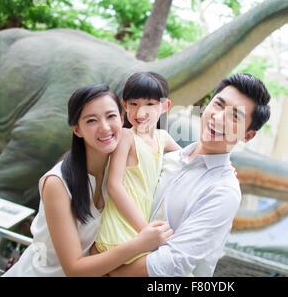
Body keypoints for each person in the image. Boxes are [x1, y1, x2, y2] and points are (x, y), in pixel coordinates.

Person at [108, 72, 271, 277]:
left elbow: (173, 263)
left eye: (234, 116)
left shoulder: (224, 191)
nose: (218, 118)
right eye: (218, 105)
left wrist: (108, 272)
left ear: (248, 135)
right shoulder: (167, 157)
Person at [2, 84, 173, 277]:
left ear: (122, 118)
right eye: (91, 120)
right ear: (77, 130)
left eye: (111, 116)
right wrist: (140, 243)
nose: (105, 127)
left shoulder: (120, 171)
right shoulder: (57, 183)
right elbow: (74, 269)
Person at [92, 72, 181, 263]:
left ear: (165, 106)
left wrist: (222, 163)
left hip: (142, 228)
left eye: (150, 104)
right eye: (134, 104)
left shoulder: (162, 137)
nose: (141, 112)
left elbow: (190, 156)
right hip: (121, 224)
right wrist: (145, 230)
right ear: (124, 106)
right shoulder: (126, 136)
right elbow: (114, 187)